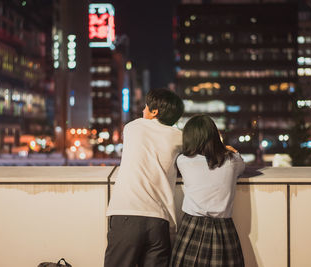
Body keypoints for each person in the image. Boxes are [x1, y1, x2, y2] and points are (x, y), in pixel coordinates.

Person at [104, 88, 184, 267]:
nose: (143, 110)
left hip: (126, 214)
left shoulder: (132, 127)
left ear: (154, 111)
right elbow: (203, 141)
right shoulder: (179, 137)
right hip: (160, 220)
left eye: (146, 107)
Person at [170, 114, 245, 267]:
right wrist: (228, 149)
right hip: (224, 228)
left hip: (192, 226)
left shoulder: (183, 161)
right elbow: (239, 162)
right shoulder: (233, 160)